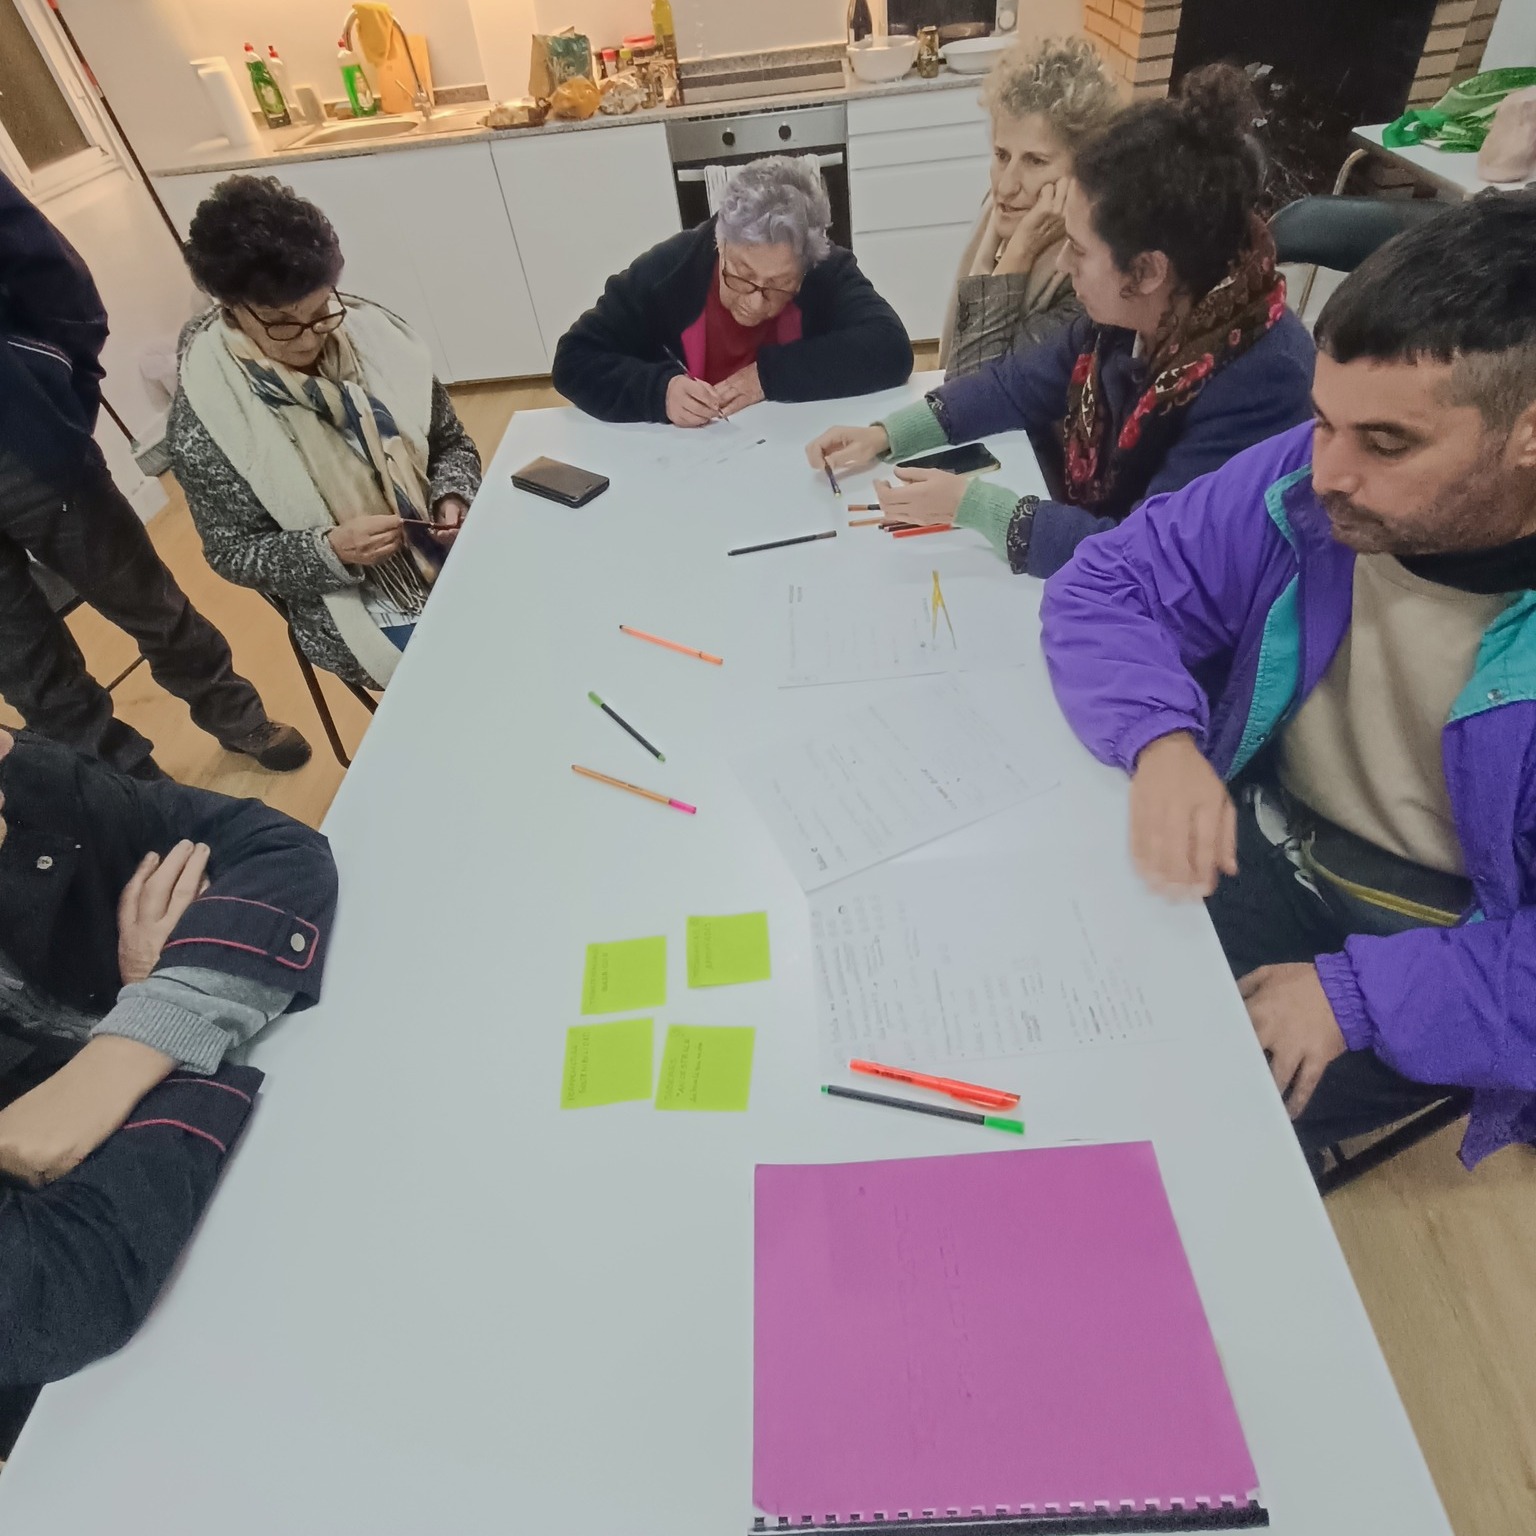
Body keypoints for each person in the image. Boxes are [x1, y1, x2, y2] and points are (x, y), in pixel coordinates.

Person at [1039, 192, 1536, 1169]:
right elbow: (1106, 584)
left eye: (1386, 443)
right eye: (1321, 421)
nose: (1329, 473)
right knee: (1054, 975)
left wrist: (1360, 998)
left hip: (1452, 946)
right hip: (1272, 842)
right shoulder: (1306, 481)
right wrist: (1162, 740)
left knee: (1176, 1120)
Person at [806, 65, 1315, 579]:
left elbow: (1148, 559)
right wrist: (885, 434)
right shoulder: (1139, 313)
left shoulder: (1260, 380)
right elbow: (1016, 383)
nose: (1066, 264)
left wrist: (975, 506)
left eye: (1078, 249)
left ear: (1146, 272)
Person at [0, 723, 336, 1399]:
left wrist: (144, 1026)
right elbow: (58, 1291)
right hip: (133, 1384)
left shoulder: (28, 785)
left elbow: (277, 848)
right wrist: (184, 1031)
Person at [0, 169, 310, 780]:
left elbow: (53, 277)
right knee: (22, 661)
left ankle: (235, 714)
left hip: (24, 443)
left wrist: (60, 387)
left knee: (146, 600)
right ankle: (130, 787)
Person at [170, 175, 482, 693]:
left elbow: (450, 443)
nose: (308, 338)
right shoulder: (210, 412)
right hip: (359, 604)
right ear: (231, 308)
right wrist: (330, 551)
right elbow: (231, 552)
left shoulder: (377, 341)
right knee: (469, 675)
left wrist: (452, 495)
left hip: (454, 550)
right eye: (281, 323)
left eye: (320, 312)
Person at [552, 155, 912, 426]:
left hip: (796, 443)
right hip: (685, 456)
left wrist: (768, 377)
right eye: (741, 275)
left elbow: (890, 348)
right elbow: (574, 359)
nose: (755, 302)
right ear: (719, 244)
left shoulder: (824, 268)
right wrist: (660, 392)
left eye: (780, 285)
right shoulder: (668, 271)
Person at [940, 36, 1119, 380]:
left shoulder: (1085, 275)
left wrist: (1019, 253)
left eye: (1035, 161)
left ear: (1086, 169)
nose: (1006, 186)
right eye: (1001, 155)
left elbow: (969, 383)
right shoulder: (997, 213)